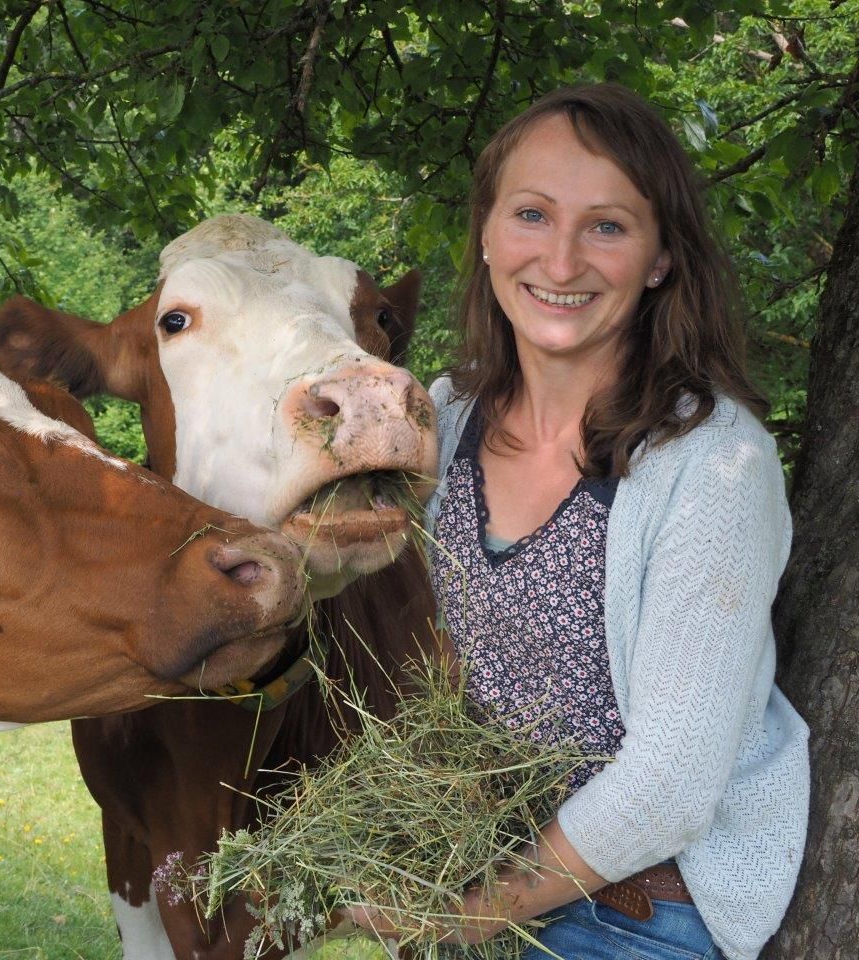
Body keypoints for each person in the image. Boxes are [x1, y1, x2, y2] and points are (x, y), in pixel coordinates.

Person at [348, 83, 809, 960]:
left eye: (607, 226)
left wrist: (473, 913)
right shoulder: (445, 418)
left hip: (632, 914)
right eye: (531, 214)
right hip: (469, 879)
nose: (560, 264)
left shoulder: (712, 461)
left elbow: (670, 784)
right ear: (485, 234)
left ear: (661, 258)